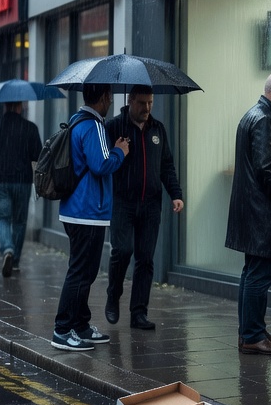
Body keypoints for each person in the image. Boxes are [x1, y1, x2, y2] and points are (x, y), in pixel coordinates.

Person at [226, 71, 271, 356]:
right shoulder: (265, 120)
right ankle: (253, 335)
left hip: (254, 212)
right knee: (259, 275)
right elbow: (266, 168)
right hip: (263, 215)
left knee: (252, 274)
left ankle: (251, 330)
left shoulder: (255, 115)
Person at [51, 84, 130, 352]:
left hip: (76, 209)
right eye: (110, 96)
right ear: (105, 97)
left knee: (85, 271)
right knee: (80, 272)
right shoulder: (94, 126)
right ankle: (62, 329)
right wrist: (120, 150)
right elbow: (102, 164)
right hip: (87, 211)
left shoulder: (76, 122)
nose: (110, 100)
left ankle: (80, 325)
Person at [104, 86, 184, 330]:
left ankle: (138, 312)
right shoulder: (114, 127)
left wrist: (176, 194)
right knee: (122, 251)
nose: (147, 108)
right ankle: (113, 295)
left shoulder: (157, 129)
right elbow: (103, 164)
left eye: (150, 103)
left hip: (151, 204)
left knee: (146, 259)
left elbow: (166, 165)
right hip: (122, 202)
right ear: (130, 101)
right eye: (141, 103)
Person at [0, 101, 43, 277]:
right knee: (20, 221)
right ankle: (14, 261)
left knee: (2, 218)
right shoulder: (30, 128)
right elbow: (38, 156)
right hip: (22, 181)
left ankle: (7, 248)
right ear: (20, 107)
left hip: (0, 180)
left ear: (5, 106)